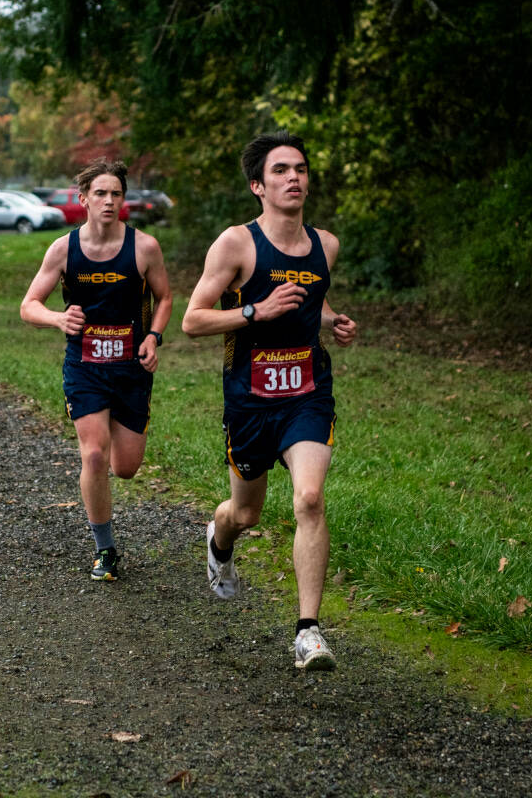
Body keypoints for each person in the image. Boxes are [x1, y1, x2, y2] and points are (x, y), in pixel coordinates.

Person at [180, 131, 357, 671]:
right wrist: (257, 311)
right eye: (281, 170)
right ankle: (220, 536)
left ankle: (308, 632)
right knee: (247, 512)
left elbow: (310, 297)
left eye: (300, 169)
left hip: (307, 391)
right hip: (250, 400)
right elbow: (192, 320)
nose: (294, 178)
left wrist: (333, 320)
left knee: (308, 499)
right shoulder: (236, 244)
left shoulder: (325, 245)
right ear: (258, 185)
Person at [20, 158, 173, 581]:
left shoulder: (144, 247)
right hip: (84, 365)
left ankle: (107, 486)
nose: (109, 201)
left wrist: (153, 337)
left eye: (116, 194)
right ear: (84, 199)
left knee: (125, 467)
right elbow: (28, 305)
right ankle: (104, 550)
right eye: (101, 194)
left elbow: (163, 298)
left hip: (131, 368)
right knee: (93, 453)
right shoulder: (63, 249)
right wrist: (57, 318)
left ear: (124, 200)